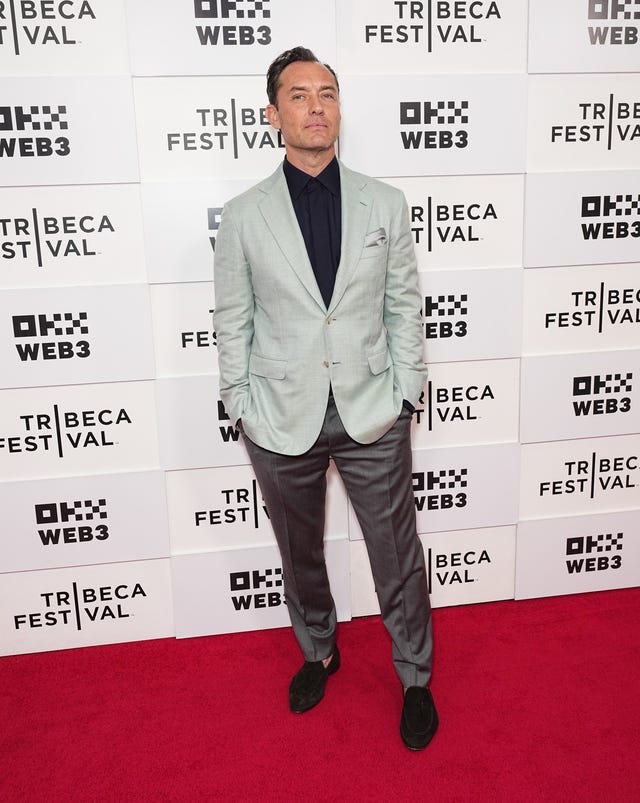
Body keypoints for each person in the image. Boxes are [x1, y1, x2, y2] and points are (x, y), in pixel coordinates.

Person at [213, 46, 437, 750]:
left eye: (328, 93)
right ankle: (319, 650)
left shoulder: (385, 203)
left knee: (396, 552)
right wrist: (240, 402)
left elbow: (404, 305)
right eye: (299, 95)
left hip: (374, 409)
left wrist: (406, 392)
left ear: (339, 109)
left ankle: (415, 675)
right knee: (299, 550)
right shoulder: (243, 215)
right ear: (273, 114)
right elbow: (233, 319)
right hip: (280, 415)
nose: (316, 106)